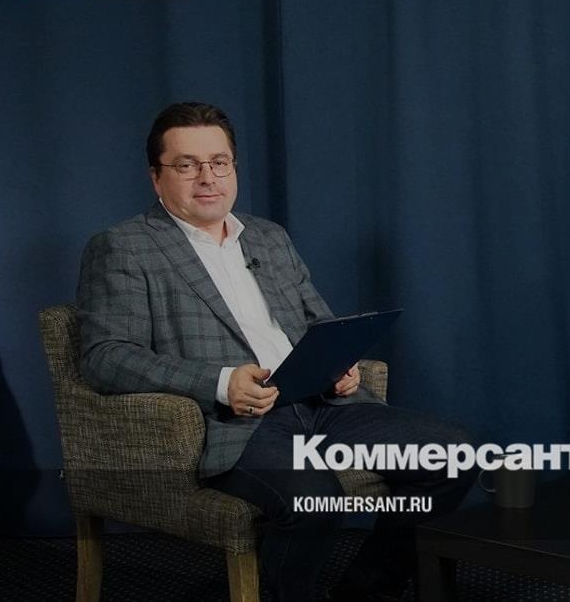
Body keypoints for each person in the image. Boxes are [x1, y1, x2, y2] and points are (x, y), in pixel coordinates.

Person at [76, 102, 477, 601]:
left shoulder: (268, 237)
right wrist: (221, 382)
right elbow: (105, 356)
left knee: (453, 455)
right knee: (313, 500)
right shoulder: (123, 247)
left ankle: (365, 590)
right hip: (238, 422)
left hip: (324, 405)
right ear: (156, 177)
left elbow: (319, 321)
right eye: (186, 165)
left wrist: (341, 363)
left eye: (219, 162)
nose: (207, 177)